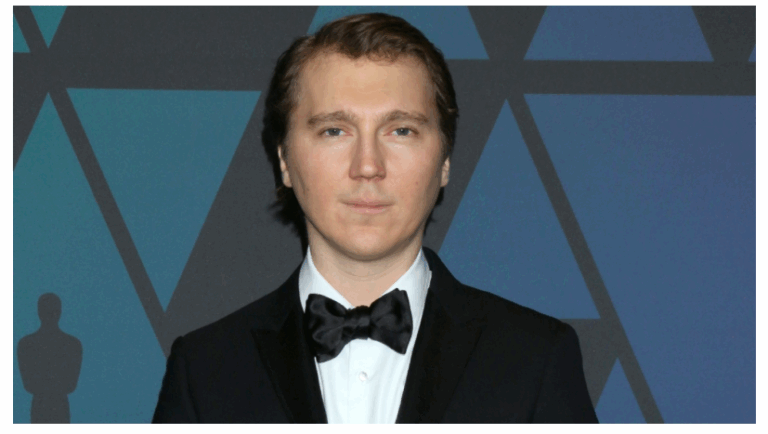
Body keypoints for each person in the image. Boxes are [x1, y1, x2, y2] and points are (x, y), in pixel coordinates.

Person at [152, 12, 597, 423]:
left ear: (444, 160)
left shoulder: (536, 360)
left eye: (401, 130)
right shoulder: (204, 371)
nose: (367, 165)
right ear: (284, 159)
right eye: (334, 131)